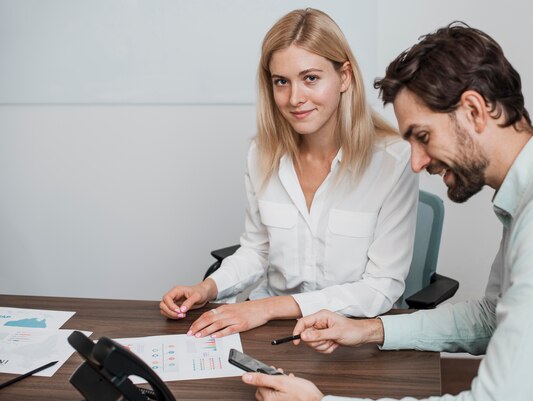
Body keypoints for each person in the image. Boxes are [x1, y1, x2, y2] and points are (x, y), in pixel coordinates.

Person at [241, 22, 533, 401]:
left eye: (422, 137)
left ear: (474, 110)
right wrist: (368, 330)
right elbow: (489, 318)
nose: (417, 162)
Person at [159, 8, 418, 339]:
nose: (295, 98)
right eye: (282, 82)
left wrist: (268, 308)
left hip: (347, 337)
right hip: (268, 331)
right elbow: (257, 250)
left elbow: (381, 289)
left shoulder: (393, 161)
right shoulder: (262, 154)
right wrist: (208, 288)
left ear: (345, 77)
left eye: (310, 78)